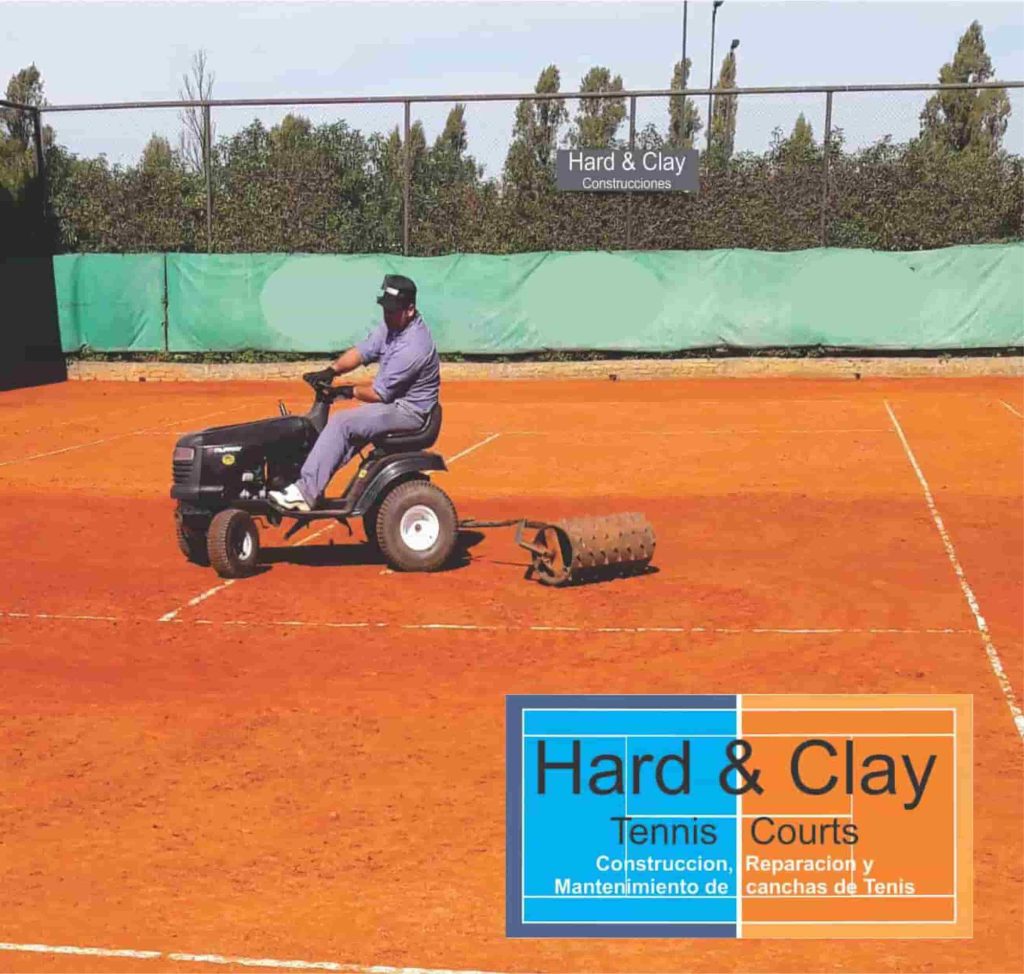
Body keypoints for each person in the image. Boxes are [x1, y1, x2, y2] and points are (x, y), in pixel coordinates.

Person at [269, 274, 440, 513]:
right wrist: (331, 371)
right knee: (347, 431)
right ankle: (310, 485)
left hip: (408, 411)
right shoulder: (393, 326)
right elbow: (362, 352)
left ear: (410, 310)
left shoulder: (413, 346)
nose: (387, 315)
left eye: (392, 311)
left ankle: (305, 492)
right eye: (385, 309)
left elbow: (379, 394)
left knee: (343, 422)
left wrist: (347, 391)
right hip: (393, 404)